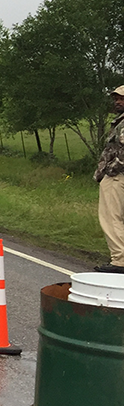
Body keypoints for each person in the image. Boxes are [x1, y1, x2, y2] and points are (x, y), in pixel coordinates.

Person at [95, 85, 124, 272]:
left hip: (118, 176)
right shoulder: (119, 121)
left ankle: (119, 260)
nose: (118, 102)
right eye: (116, 99)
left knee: (111, 216)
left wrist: (112, 169)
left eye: (121, 98)